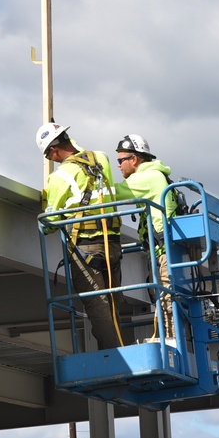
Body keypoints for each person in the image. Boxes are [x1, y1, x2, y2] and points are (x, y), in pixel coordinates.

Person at [36, 122, 126, 350]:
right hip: (113, 243)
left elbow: (50, 223)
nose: (52, 161)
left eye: (49, 156)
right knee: (114, 304)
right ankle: (124, 348)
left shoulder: (60, 177)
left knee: (98, 307)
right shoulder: (102, 158)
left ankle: (116, 359)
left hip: (86, 249)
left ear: (53, 150)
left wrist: (45, 207)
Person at [112, 134, 178, 340]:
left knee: (167, 301)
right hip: (167, 250)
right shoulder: (156, 175)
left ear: (134, 159)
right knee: (166, 301)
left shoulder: (147, 177)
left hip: (165, 252)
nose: (118, 166)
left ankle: (172, 344)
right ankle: (172, 341)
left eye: (121, 160)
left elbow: (112, 193)